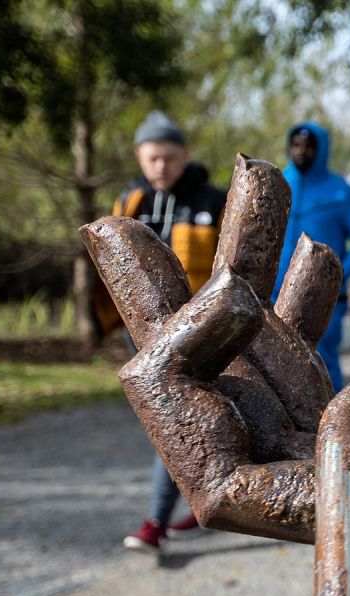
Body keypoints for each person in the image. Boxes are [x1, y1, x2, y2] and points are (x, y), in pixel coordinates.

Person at [115, 110, 227, 552]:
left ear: (184, 156)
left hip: (197, 332)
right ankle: (208, 501)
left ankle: (156, 522)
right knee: (181, 422)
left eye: (169, 157)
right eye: (152, 158)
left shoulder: (212, 200)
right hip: (140, 332)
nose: (160, 166)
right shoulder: (131, 202)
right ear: (141, 158)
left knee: (172, 421)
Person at [271, 122, 350, 392]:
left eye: (308, 147)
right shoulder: (278, 183)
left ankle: (332, 424)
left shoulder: (342, 193)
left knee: (322, 360)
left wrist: (337, 275)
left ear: (321, 150)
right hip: (274, 294)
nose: (300, 151)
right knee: (274, 361)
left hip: (323, 298)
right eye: (295, 145)